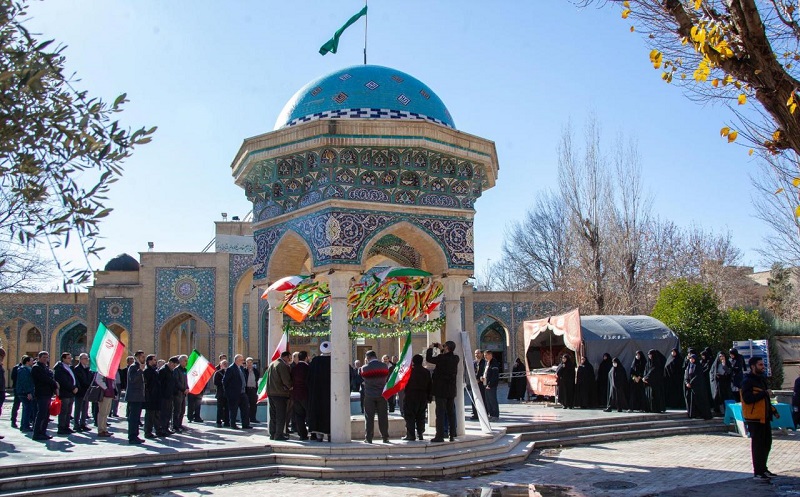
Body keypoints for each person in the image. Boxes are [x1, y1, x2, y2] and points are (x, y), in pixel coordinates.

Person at [741, 356, 779, 482]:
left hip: (765, 417)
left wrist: (772, 410)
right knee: (758, 445)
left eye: (763, 364)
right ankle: (758, 472)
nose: (763, 367)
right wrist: (764, 393)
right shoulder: (747, 381)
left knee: (766, 444)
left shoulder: (761, 379)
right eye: (760, 365)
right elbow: (747, 399)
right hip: (754, 418)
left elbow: (765, 399)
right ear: (753, 366)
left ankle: (763, 469)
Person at [425, 340, 459, 443]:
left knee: (440, 413)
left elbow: (429, 359)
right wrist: (442, 350)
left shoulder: (441, 358)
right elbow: (447, 358)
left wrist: (431, 348)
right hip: (451, 390)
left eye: (444, 346)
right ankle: (452, 435)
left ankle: (439, 436)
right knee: (451, 413)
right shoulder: (456, 358)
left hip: (441, 390)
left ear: (447, 348)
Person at [360, 349, 390, 443]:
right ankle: (385, 437)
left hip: (369, 394)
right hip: (382, 394)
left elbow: (363, 377)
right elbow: (386, 377)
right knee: (383, 416)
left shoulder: (364, 368)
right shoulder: (384, 366)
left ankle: (369, 438)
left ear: (367, 358)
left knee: (369, 417)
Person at [402, 354, 431, 441]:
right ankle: (420, 433)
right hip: (422, 396)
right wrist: (429, 397)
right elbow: (430, 385)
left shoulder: (409, 371)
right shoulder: (426, 372)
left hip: (411, 396)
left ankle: (411, 435)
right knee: (421, 415)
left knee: (410, 415)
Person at [31, 351, 58, 441]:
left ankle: (43, 432)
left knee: (46, 414)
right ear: (39, 358)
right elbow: (44, 379)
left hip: (47, 393)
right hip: (41, 393)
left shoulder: (45, 367)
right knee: (41, 413)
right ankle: (37, 433)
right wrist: (54, 382)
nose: (46, 359)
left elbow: (51, 377)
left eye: (47, 357)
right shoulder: (36, 367)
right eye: (44, 357)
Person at [307, 341, 332, 441]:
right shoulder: (334, 361)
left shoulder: (315, 361)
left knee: (318, 412)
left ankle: (319, 436)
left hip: (317, 394)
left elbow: (308, 378)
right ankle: (330, 434)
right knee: (329, 413)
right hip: (330, 394)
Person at [266, 351, 292, 440]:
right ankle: (278, 435)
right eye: (289, 358)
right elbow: (286, 380)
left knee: (273, 415)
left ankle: (272, 433)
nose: (290, 360)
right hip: (280, 394)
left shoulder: (272, 364)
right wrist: (290, 387)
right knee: (280, 415)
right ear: (286, 357)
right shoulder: (282, 365)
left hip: (271, 393)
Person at [223, 354, 252, 430]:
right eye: (241, 360)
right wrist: (229, 392)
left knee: (245, 408)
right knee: (233, 410)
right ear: (237, 360)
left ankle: (245, 424)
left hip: (242, 392)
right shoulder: (231, 369)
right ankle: (233, 424)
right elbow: (225, 381)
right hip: (234, 394)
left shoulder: (241, 368)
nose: (242, 361)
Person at [53, 352, 77, 435]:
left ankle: (67, 426)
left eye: (71, 358)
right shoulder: (60, 368)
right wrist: (72, 388)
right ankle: (61, 428)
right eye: (68, 358)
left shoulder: (69, 367)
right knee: (63, 411)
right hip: (65, 392)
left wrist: (76, 387)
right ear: (63, 359)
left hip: (71, 393)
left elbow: (73, 378)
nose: (70, 360)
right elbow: (63, 381)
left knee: (68, 411)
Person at [684, 353, 712, 420]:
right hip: (690, 387)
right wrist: (687, 382)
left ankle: (702, 414)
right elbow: (686, 375)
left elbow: (698, 376)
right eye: (690, 359)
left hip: (697, 387)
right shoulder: (689, 366)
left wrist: (691, 382)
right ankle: (693, 414)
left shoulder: (698, 366)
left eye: (692, 359)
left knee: (699, 400)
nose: (691, 360)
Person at [126, 350, 146, 444]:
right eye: (142, 357)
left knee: (137, 417)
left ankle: (135, 435)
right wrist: (140, 371)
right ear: (137, 357)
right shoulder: (133, 367)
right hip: (133, 396)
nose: (144, 358)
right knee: (133, 417)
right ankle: (132, 436)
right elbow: (133, 379)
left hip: (139, 396)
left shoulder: (139, 367)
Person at [291, 351, 310, 440]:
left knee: (299, 416)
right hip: (306, 395)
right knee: (309, 414)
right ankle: (313, 434)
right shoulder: (308, 368)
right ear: (306, 358)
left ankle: (302, 435)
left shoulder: (294, 368)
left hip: (295, 395)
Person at [158, 356, 179, 436]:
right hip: (164, 396)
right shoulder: (163, 370)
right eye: (174, 365)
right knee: (163, 413)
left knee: (168, 413)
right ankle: (162, 429)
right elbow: (160, 384)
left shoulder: (171, 371)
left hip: (170, 395)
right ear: (170, 363)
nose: (174, 367)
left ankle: (166, 428)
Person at [72, 353, 93, 432]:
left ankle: (83, 423)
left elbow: (90, 378)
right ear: (80, 360)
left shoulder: (88, 368)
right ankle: (76, 425)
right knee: (78, 408)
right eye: (85, 358)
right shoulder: (77, 369)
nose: (87, 360)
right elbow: (79, 380)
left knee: (85, 408)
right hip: (80, 391)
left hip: (86, 391)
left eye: (87, 358)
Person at [143, 354, 161, 439]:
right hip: (150, 397)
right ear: (149, 361)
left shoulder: (155, 370)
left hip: (156, 396)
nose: (155, 361)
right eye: (154, 360)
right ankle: (148, 432)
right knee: (149, 416)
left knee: (156, 415)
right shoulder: (147, 371)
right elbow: (147, 385)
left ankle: (158, 430)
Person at [16, 356, 35, 433]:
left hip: (24, 392)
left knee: (26, 408)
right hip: (24, 392)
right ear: (27, 362)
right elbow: (25, 382)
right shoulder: (24, 370)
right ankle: (25, 426)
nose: (33, 362)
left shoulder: (26, 369)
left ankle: (23, 425)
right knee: (27, 409)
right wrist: (28, 392)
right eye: (31, 361)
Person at [710, 351, 733, 415]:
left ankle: (727, 411)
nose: (722, 358)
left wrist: (724, 365)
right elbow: (712, 373)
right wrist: (716, 375)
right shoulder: (715, 364)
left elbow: (729, 372)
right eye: (720, 356)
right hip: (718, 383)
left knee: (726, 396)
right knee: (719, 397)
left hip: (725, 383)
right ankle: (720, 411)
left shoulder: (727, 363)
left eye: (723, 356)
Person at [94, 371, 116, 438]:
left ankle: (104, 429)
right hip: (104, 394)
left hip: (110, 394)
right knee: (102, 412)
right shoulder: (102, 370)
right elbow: (98, 380)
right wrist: (106, 388)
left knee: (106, 412)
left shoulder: (109, 370)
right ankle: (101, 430)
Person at [172, 354, 189, 433]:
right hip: (178, 393)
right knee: (177, 410)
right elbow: (176, 381)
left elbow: (186, 380)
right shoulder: (176, 370)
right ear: (181, 361)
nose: (186, 362)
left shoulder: (184, 370)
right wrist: (183, 389)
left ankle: (179, 424)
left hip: (183, 393)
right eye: (185, 361)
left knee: (182, 410)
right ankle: (175, 426)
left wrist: (187, 388)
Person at [482, 350, 500, 420]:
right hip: (485, 384)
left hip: (491, 385)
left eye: (486, 355)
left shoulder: (494, 363)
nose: (485, 357)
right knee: (488, 401)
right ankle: (491, 414)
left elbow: (494, 376)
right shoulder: (487, 363)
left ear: (490, 355)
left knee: (492, 400)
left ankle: (495, 415)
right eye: (484, 355)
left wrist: (490, 384)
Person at [471, 349, 486, 419]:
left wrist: (479, 379)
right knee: (474, 398)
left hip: (481, 383)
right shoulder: (473, 363)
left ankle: (484, 413)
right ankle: (475, 413)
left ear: (481, 354)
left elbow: (484, 372)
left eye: (478, 353)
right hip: (474, 383)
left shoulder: (484, 362)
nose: (476, 355)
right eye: (475, 353)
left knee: (482, 398)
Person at [244, 357, 260, 423]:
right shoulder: (244, 371)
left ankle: (253, 418)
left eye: (250, 362)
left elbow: (257, 378)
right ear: (246, 363)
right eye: (248, 362)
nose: (249, 364)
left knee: (253, 405)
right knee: (246, 405)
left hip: (253, 390)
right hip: (246, 390)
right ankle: (246, 419)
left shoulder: (255, 371)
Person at [214, 359, 229, 427]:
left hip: (227, 394)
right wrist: (222, 382)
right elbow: (215, 382)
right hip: (220, 394)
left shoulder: (229, 372)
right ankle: (218, 422)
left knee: (227, 408)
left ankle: (227, 422)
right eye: (224, 364)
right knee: (220, 408)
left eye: (226, 364)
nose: (225, 365)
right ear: (221, 365)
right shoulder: (218, 373)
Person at [10, 355, 24, 429]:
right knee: (16, 405)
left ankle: (24, 422)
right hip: (17, 388)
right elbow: (13, 377)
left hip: (23, 389)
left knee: (25, 406)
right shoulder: (16, 368)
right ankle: (13, 420)